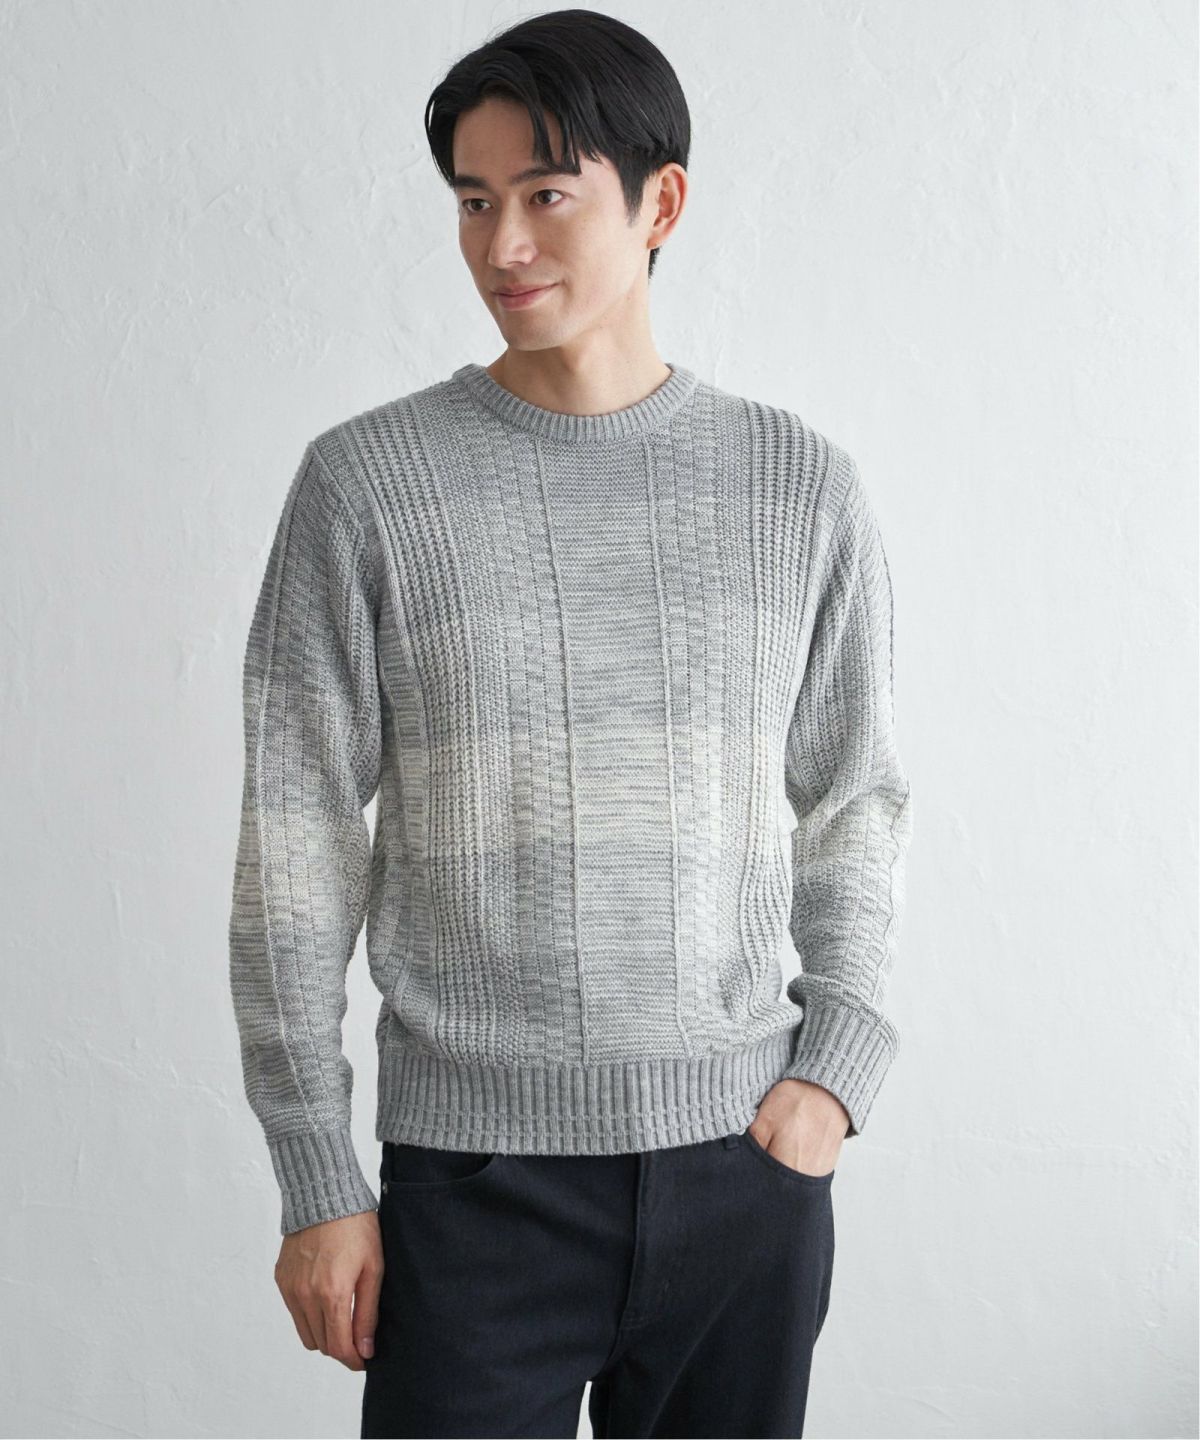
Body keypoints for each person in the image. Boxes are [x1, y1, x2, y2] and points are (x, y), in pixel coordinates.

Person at [227, 9, 914, 1438]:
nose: (503, 245)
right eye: (473, 201)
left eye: (547, 195)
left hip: (743, 1167)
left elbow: (855, 797)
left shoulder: (797, 486)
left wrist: (834, 1073)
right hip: (471, 1188)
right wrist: (316, 1174)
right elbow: (296, 837)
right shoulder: (367, 487)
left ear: (661, 203)